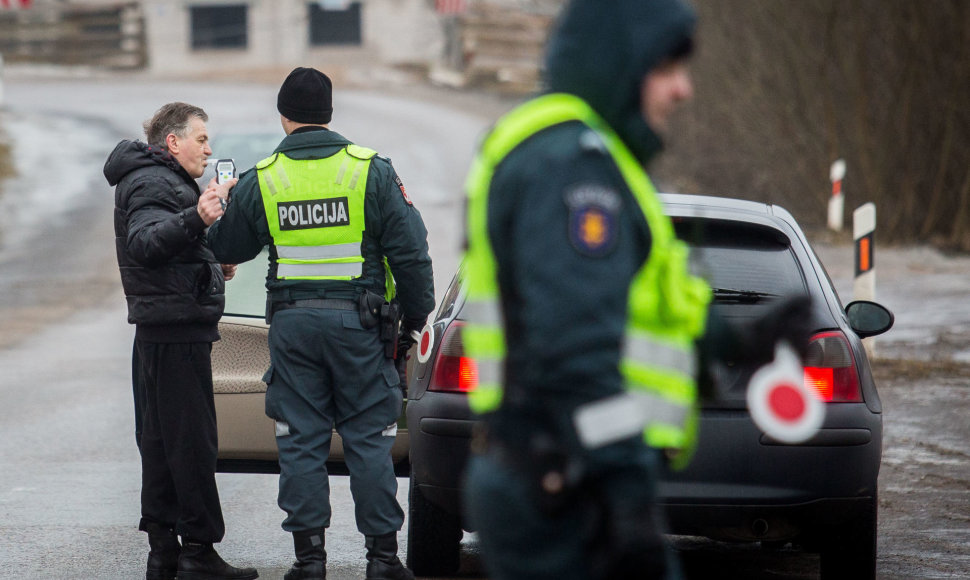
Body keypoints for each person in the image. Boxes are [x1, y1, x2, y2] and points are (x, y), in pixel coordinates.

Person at [459, 0, 812, 579]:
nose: (684, 90)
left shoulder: (594, 159)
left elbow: (640, 313)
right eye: (667, 69)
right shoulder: (572, 166)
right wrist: (625, 491)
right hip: (566, 490)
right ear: (617, 64)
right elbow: (574, 354)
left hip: (563, 479)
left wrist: (742, 341)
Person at [206, 67, 435, 580]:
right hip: (361, 329)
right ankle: (382, 560)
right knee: (369, 439)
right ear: (329, 115)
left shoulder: (265, 177)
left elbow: (225, 248)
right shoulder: (371, 170)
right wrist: (414, 323)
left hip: (292, 329)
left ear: (284, 118)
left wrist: (219, 203)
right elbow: (411, 254)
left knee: (301, 440)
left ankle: (309, 563)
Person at [104, 102, 258, 580]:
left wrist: (210, 260)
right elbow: (145, 243)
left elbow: (166, 251)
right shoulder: (153, 181)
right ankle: (197, 552)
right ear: (173, 142)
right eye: (201, 139)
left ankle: (164, 551)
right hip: (174, 331)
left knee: (162, 440)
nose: (209, 149)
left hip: (164, 326)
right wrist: (198, 217)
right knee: (189, 443)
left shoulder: (156, 177)